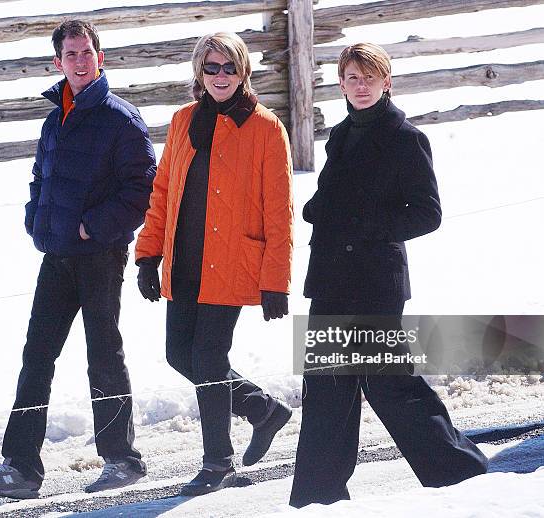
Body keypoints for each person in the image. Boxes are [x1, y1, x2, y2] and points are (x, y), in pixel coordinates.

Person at [289, 43, 489, 508]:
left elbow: (427, 213)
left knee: (387, 382)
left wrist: (366, 226)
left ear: (386, 82)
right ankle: (317, 497)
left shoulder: (405, 137)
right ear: (340, 84)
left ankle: (462, 471)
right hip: (333, 278)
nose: (360, 87)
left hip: (375, 280)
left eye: (369, 78)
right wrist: (320, 208)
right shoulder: (340, 135)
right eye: (352, 79)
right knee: (326, 386)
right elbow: (340, 196)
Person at [0, 20, 156, 499]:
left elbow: (142, 189)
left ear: (100, 56)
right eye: (70, 54)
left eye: (86, 52)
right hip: (56, 256)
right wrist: (37, 220)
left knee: (103, 354)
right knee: (37, 356)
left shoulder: (121, 119)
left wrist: (95, 226)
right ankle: (21, 468)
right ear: (58, 61)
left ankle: (122, 460)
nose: (79, 60)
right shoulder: (55, 119)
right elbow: (40, 178)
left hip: (99, 256)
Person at [135, 32, 293, 496]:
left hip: (233, 261)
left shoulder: (266, 128)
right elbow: (162, 191)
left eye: (229, 68)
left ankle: (217, 462)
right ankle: (263, 410)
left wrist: (275, 281)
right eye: (211, 68)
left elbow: (278, 210)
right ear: (198, 73)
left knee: (207, 356)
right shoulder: (183, 120)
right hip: (185, 259)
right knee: (179, 354)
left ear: (243, 71)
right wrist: (148, 253)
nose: (220, 76)